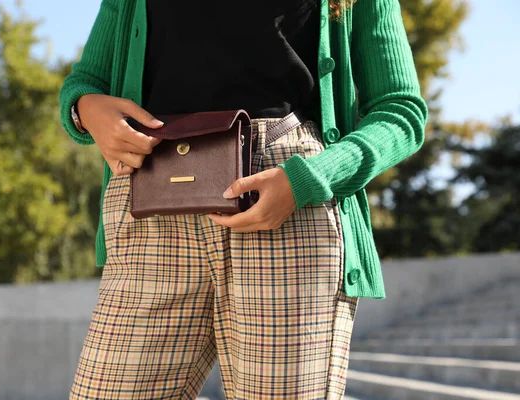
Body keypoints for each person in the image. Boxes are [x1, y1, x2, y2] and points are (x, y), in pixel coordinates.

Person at [59, 0, 427, 398]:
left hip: (287, 205)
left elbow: (400, 111)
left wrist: (309, 179)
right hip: (150, 203)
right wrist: (85, 110)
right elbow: (86, 84)